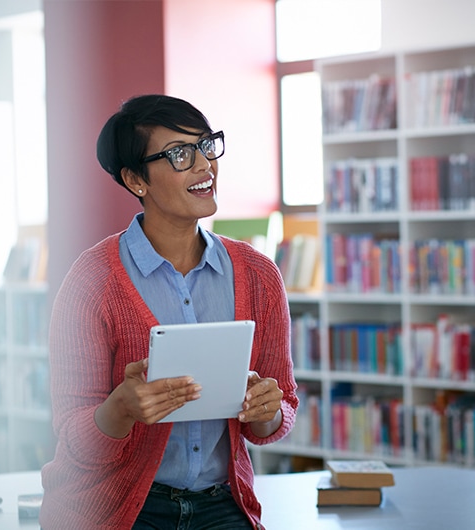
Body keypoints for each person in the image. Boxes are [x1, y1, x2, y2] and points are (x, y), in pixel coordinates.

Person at [39, 94, 298, 530]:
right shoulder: (92, 280)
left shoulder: (258, 275)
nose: (204, 165)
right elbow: (72, 438)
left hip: (223, 506)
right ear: (136, 180)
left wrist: (267, 409)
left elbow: (279, 411)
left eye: (206, 146)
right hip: (120, 508)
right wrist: (120, 409)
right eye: (180, 154)